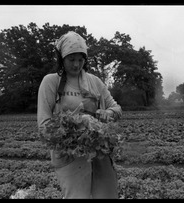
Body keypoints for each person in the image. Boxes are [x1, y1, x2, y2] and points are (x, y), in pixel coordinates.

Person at [37, 31, 122, 199]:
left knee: (106, 195)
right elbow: (44, 124)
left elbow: (116, 108)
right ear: (62, 59)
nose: (76, 65)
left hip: (98, 152)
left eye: (81, 60)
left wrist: (108, 112)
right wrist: (75, 125)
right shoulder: (51, 82)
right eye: (71, 59)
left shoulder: (95, 81)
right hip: (69, 155)